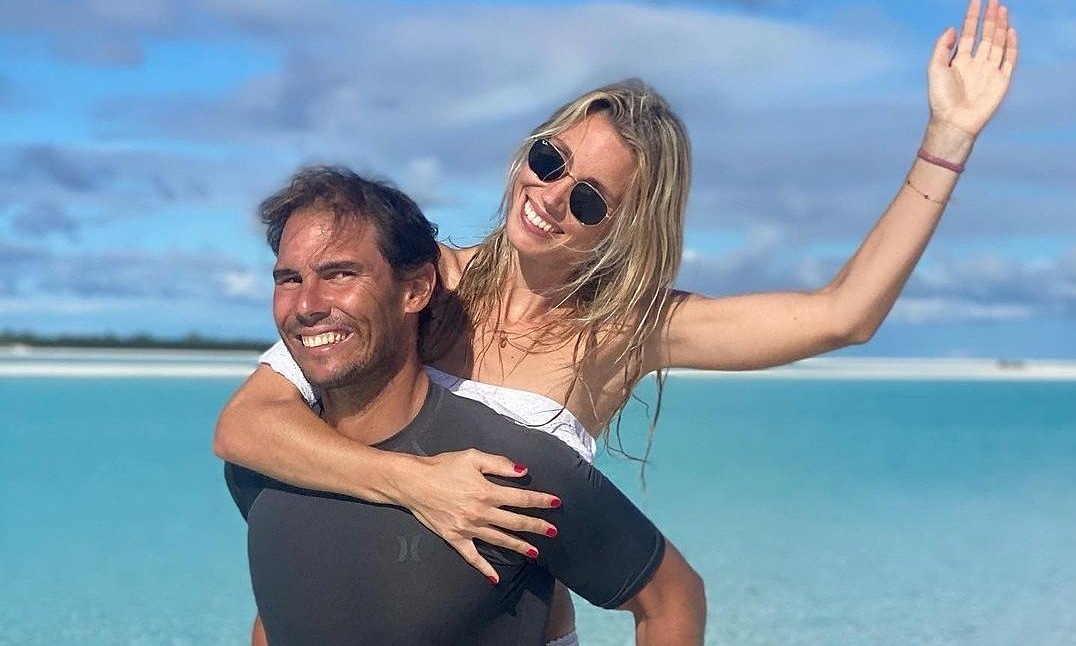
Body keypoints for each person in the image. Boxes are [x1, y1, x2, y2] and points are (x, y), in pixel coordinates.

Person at [213, 1, 1017, 643]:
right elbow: (248, 426)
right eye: (550, 160)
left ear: (624, 228)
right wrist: (420, 485)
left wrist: (946, 140)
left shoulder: (625, 333)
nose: (552, 196)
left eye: (590, 199)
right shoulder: (426, 283)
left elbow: (843, 315)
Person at [225, 167, 705, 645]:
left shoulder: (506, 468)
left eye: (340, 274)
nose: (306, 305)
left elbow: (671, 599)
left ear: (415, 289)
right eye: (289, 279)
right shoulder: (262, 465)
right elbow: (287, 600)